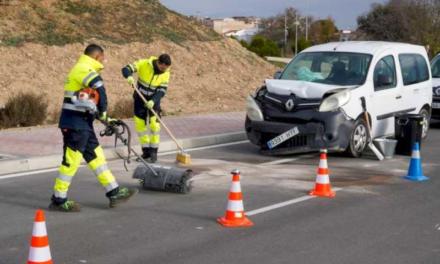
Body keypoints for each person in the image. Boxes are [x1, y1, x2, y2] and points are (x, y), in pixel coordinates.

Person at [50, 44, 138, 212]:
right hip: (75, 125)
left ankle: (114, 191)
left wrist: (101, 115)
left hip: (83, 123)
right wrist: (104, 111)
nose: (104, 61)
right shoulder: (83, 69)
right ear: (97, 57)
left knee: (97, 158)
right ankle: (58, 199)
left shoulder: (81, 68)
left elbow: (87, 99)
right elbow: (99, 88)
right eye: (103, 58)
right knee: (71, 162)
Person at [121, 54, 171, 163]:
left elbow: (162, 90)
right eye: (162, 68)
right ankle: (146, 152)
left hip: (154, 102)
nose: (164, 70)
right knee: (140, 126)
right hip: (140, 98)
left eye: (166, 68)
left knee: (155, 126)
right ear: (159, 63)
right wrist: (128, 76)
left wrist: (153, 101)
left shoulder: (166, 73)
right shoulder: (144, 63)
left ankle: (153, 152)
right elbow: (126, 69)